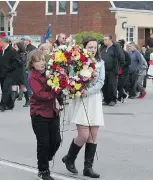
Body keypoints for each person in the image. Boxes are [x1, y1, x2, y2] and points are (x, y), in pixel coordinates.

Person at [63, 36, 105, 178]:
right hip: (81, 100)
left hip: (94, 99)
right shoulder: (77, 62)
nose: (93, 49)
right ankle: (70, 157)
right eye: (90, 47)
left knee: (93, 135)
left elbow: (101, 82)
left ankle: (88, 167)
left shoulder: (101, 63)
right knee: (84, 135)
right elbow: (72, 79)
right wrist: (79, 88)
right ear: (84, 48)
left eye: (94, 47)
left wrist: (88, 92)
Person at [28, 49, 61, 180]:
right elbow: (40, 94)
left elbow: (58, 85)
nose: (42, 63)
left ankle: (46, 157)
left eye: (43, 60)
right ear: (32, 64)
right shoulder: (33, 77)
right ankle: (43, 170)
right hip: (39, 113)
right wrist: (54, 92)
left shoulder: (50, 73)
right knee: (43, 143)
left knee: (56, 141)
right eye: (38, 61)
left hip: (53, 112)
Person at [0, 36, 18, 111]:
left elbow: (15, 63)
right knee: (4, 89)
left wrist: (9, 69)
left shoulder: (12, 51)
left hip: (10, 74)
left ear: (4, 42)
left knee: (5, 89)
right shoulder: (0, 52)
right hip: (1, 74)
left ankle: (3, 105)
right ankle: (10, 104)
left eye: (0, 42)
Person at [100, 35, 125, 106]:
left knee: (112, 85)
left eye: (106, 39)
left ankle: (113, 99)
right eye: (104, 39)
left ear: (110, 40)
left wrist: (117, 68)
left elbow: (122, 59)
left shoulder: (115, 48)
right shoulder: (102, 48)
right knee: (104, 85)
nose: (104, 41)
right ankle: (106, 99)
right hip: (103, 70)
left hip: (112, 70)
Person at [12, 41, 29, 107]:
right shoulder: (14, 53)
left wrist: (16, 58)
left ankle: (27, 100)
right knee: (14, 87)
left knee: (23, 87)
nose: (14, 48)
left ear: (19, 47)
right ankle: (12, 103)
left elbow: (22, 62)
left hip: (21, 72)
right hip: (15, 72)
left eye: (15, 47)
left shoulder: (23, 54)